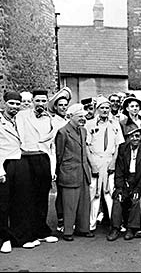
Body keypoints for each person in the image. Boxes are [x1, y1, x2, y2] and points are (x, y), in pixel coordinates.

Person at [0, 91, 36, 253]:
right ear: (4, 104)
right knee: (3, 204)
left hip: (21, 165)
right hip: (5, 165)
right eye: (11, 103)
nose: (15, 107)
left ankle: (20, 237)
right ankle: (5, 238)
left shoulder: (21, 120)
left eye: (17, 104)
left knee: (22, 202)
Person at [15, 89, 58, 244]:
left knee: (42, 197)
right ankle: (29, 233)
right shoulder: (21, 116)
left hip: (43, 159)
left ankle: (42, 230)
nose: (40, 104)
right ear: (32, 101)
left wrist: (52, 168)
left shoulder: (50, 118)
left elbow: (52, 144)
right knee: (28, 197)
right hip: (27, 158)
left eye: (43, 101)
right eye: (37, 100)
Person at [55, 103, 94, 241]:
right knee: (69, 203)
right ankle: (68, 231)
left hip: (83, 171)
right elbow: (59, 155)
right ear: (71, 116)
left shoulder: (83, 131)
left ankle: (83, 229)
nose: (83, 119)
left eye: (84, 116)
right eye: (80, 116)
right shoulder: (63, 132)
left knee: (84, 202)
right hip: (69, 172)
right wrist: (59, 172)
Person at [86, 96, 125, 232]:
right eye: (102, 107)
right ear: (97, 109)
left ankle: (115, 225)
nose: (105, 110)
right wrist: (92, 164)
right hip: (95, 160)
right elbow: (86, 146)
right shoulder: (90, 124)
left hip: (109, 161)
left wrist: (113, 162)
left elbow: (118, 145)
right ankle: (90, 224)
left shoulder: (115, 124)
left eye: (107, 108)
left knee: (110, 193)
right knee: (94, 193)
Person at [107, 128, 141, 241]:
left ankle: (131, 228)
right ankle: (115, 228)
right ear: (128, 137)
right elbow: (119, 171)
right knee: (118, 197)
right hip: (126, 181)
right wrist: (120, 188)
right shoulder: (123, 149)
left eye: (137, 136)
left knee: (136, 199)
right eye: (132, 136)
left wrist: (138, 189)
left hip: (139, 182)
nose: (135, 138)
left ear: (140, 137)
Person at [46, 87, 72, 231]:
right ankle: (61, 220)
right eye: (60, 105)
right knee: (61, 192)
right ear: (55, 107)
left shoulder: (70, 120)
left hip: (70, 160)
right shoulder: (52, 121)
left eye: (65, 105)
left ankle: (69, 219)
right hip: (58, 159)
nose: (63, 107)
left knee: (69, 192)